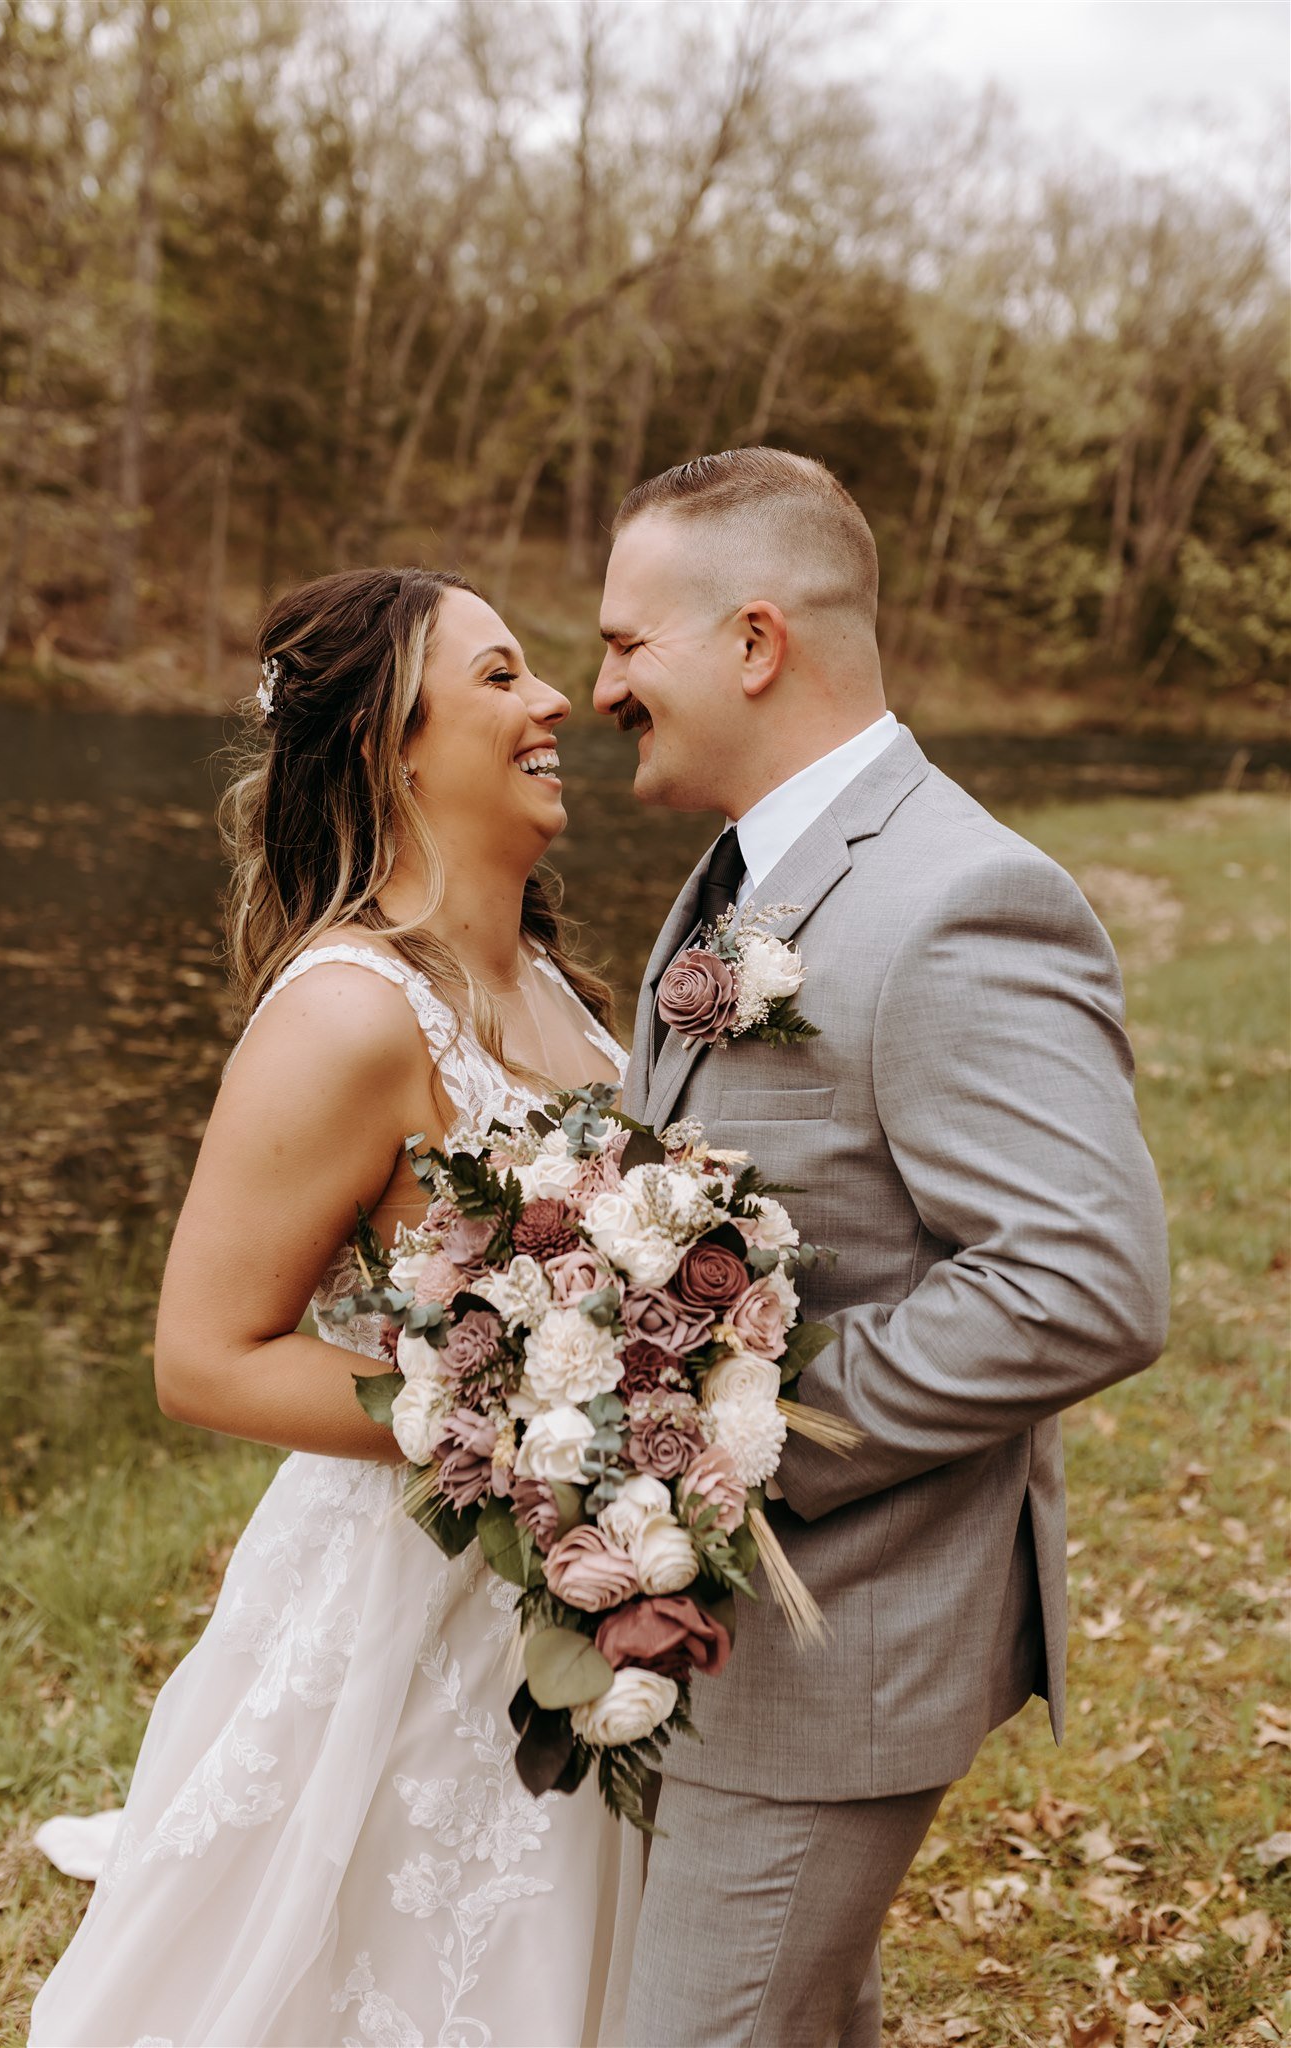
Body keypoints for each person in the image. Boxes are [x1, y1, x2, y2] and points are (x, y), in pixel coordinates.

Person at [594, 447, 1170, 2048]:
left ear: (754, 641)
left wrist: (734, 1438)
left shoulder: (958, 896)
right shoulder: (753, 870)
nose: (597, 688)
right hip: (739, 1635)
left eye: (626, 642)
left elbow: (1082, 1282)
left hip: (834, 1635)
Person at [29, 567, 641, 2048]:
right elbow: (203, 1358)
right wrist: (521, 1436)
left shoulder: (560, 991)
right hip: (413, 1587)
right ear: (390, 742)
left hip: (581, 1590)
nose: (553, 700)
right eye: (500, 676)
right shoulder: (352, 1013)